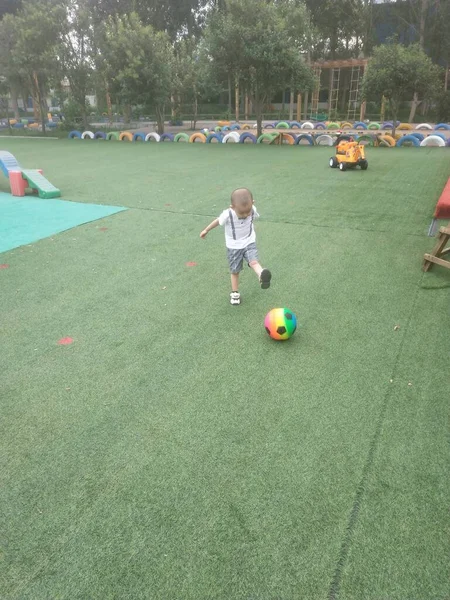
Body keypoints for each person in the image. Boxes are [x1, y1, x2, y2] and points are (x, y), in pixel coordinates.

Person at [200, 188, 271, 305]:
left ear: (252, 203)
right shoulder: (228, 213)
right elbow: (218, 221)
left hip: (249, 242)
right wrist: (206, 230)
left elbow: (251, 219)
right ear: (232, 207)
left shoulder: (252, 209)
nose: (245, 215)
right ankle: (235, 293)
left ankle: (261, 275)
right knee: (235, 271)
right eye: (242, 213)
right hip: (234, 247)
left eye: (247, 212)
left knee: (253, 261)